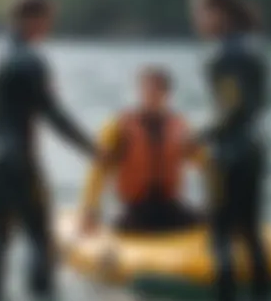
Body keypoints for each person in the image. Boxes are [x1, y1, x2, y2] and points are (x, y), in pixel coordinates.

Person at [0, 0, 99, 301]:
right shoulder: (32, 60)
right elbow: (53, 115)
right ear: (32, 19)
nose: (49, 28)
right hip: (19, 162)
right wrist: (92, 149)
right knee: (40, 241)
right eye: (47, 20)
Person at [189, 0, 271, 301]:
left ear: (217, 13)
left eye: (199, 14)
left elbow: (229, 109)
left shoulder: (220, 55)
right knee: (251, 235)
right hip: (254, 149)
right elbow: (253, 105)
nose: (197, 21)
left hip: (226, 156)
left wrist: (196, 136)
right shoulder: (256, 49)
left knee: (220, 239)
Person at [80, 67, 206, 234]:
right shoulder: (119, 127)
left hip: (169, 206)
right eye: (147, 90)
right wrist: (90, 209)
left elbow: (207, 165)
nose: (151, 96)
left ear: (166, 94)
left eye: (157, 90)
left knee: (211, 219)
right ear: (139, 91)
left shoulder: (180, 127)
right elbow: (98, 171)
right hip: (135, 209)